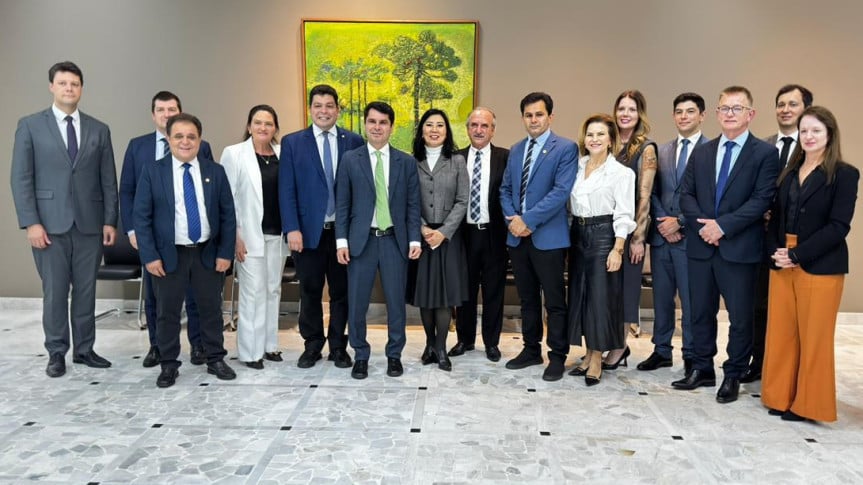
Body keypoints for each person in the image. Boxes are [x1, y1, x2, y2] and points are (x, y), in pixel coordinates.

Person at [11, 61, 119, 378]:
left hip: (89, 225)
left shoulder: (99, 129)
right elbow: (21, 178)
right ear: (52, 87)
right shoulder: (30, 125)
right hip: (48, 226)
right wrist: (31, 222)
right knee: (55, 292)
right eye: (63, 83)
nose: (69, 88)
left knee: (86, 292)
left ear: (81, 88)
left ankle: (85, 350)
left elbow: (108, 179)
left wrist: (110, 220)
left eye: (74, 83)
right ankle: (57, 352)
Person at [673, 86, 779, 404]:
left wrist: (723, 226)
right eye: (724, 108)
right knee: (700, 312)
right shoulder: (703, 152)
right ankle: (702, 368)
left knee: (740, 316)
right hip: (702, 248)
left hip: (740, 248)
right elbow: (685, 195)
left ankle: (733, 374)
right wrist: (705, 227)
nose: (729, 114)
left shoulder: (764, 153)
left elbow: (762, 199)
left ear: (751, 114)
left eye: (737, 108)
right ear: (717, 113)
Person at [761, 106, 858, 422]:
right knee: (782, 333)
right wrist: (777, 251)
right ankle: (779, 397)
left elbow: (839, 226)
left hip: (819, 264)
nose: (809, 136)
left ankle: (807, 405)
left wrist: (797, 255)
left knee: (813, 338)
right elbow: (774, 215)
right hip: (782, 259)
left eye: (816, 130)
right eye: (804, 131)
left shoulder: (844, 174)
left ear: (829, 134)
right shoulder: (788, 171)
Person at [133, 113, 237, 388]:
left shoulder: (215, 171)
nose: (185, 141)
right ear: (168, 139)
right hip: (168, 256)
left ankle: (215, 358)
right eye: (178, 136)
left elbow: (228, 215)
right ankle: (169, 364)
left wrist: (225, 253)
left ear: (200, 140)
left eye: (191, 136)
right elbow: (141, 218)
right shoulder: (153, 171)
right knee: (167, 312)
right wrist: (150, 256)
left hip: (206, 253)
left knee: (210, 309)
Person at [119, 91, 215, 368]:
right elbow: (127, 190)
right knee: (155, 297)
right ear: (153, 115)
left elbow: (207, 190)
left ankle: (198, 346)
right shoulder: (138, 147)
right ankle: (157, 347)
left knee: (196, 296)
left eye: (172, 109)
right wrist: (133, 230)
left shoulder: (201, 146)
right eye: (161, 110)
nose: (166, 114)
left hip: (192, 237)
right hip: (154, 237)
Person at [280, 84, 364, 369]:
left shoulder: (353, 141)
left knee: (342, 293)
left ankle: (339, 347)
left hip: (343, 236)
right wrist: (292, 228)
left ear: (337, 110)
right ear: (310, 109)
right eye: (318, 105)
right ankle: (312, 345)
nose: (324, 111)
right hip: (307, 234)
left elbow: (360, 189)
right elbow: (286, 189)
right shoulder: (293, 142)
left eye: (329, 105)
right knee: (310, 292)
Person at [335, 101, 422, 380]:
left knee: (396, 302)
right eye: (372, 121)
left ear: (391, 127)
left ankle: (394, 355)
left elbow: (412, 205)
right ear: (365, 124)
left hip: (394, 241)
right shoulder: (351, 159)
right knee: (357, 302)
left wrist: (414, 240)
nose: (377, 127)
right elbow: (343, 204)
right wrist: (341, 242)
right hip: (361, 242)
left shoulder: (406, 161)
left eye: (383, 122)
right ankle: (360, 354)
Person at [499, 92, 577, 382]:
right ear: (523, 118)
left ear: (550, 117)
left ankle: (557, 356)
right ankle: (531, 349)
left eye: (539, 114)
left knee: (555, 301)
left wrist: (528, 220)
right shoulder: (516, 149)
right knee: (527, 299)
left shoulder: (566, 148)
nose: (534, 120)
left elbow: (560, 192)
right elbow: (505, 190)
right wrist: (514, 221)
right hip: (519, 239)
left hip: (549, 238)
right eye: (529, 115)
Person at [744, 84, 814, 384]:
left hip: (801, 242)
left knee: (795, 311)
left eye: (793, 104)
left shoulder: (814, 147)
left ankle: (792, 368)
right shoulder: (763, 146)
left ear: (806, 110)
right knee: (759, 305)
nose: (785, 109)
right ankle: (758, 362)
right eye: (781, 104)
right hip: (763, 238)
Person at [639, 93, 708, 376]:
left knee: (691, 301)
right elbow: (651, 191)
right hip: (661, 238)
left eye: (690, 111)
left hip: (691, 239)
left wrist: (679, 222)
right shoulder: (662, 150)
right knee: (662, 298)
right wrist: (662, 221)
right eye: (678, 111)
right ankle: (662, 350)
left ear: (702, 115)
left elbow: (709, 197)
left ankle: (691, 353)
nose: (683, 116)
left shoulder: (710, 150)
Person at [567, 114, 636, 385]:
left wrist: (617, 249)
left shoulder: (621, 173)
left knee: (600, 298)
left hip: (604, 235)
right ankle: (587, 353)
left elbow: (624, 214)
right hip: (578, 234)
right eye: (590, 134)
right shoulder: (577, 166)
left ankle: (597, 357)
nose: (594, 139)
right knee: (581, 296)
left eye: (600, 135)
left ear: (610, 140)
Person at [221, 105, 289, 369]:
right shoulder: (234, 154)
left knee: (273, 289)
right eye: (258, 122)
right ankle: (250, 352)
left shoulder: (284, 154)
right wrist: (234, 236)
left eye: (269, 123)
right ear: (249, 126)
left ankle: (270, 345)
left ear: (275, 128)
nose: (263, 127)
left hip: (277, 235)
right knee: (252, 292)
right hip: (248, 236)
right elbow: (227, 200)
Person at [408, 108, 469, 371]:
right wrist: (422, 229)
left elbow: (462, 200)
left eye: (440, 125)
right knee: (425, 296)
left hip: (448, 238)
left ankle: (442, 348)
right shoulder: (411, 162)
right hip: (420, 238)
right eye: (429, 125)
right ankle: (429, 344)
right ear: (421, 130)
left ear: (447, 131)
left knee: (444, 297)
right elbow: (407, 201)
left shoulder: (457, 161)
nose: (434, 129)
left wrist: (443, 232)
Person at [603, 90, 658, 369]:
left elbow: (644, 196)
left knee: (625, 293)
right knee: (608, 292)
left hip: (630, 234)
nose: (625, 114)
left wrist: (638, 239)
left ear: (640, 115)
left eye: (632, 109)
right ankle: (609, 342)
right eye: (621, 108)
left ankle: (620, 347)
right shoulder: (609, 144)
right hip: (605, 233)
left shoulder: (645, 149)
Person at [452, 108, 511, 362]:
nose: (478, 130)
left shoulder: (505, 158)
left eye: (484, 126)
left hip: (493, 235)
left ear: (493, 130)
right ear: (467, 129)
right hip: (463, 235)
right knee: (464, 291)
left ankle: (491, 343)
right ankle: (464, 340)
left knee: (493, 292)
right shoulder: (455, 158)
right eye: (474, 125)